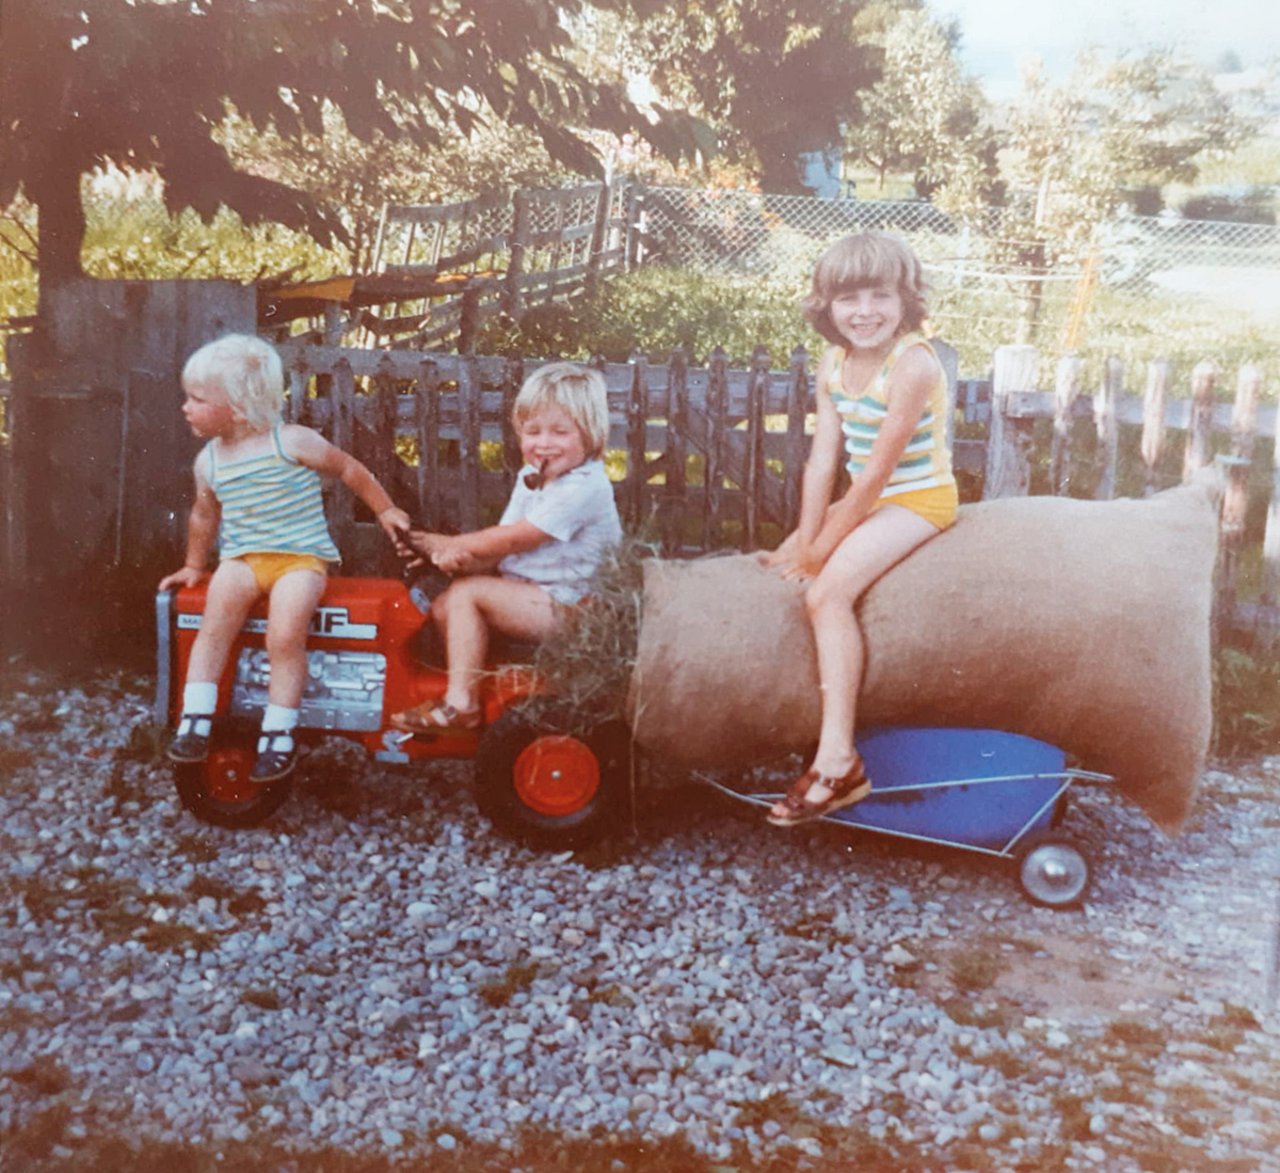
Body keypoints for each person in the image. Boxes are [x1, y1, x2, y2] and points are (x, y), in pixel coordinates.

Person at [763, 232, 956, 826]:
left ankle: (840, 760)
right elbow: (823, 461)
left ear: (906, 301)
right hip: (866, 501)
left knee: (826, 593)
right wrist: (801, 538)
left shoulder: (914, 363)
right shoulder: (834, 363)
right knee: (776, 569)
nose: (865, 312)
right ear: (826, 305)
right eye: (849, 298)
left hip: (916, 500)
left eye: (880, 296)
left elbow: (873, 478)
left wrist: (819, 554)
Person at [160, 334, 411, 782]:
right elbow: (204, 514)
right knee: (214, 624)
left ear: (236, 406)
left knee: (285, 636)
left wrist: (386, 508)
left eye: (197, 399)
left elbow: (349, 469)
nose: (185, 407)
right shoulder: (210, 461)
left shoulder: (290, 441)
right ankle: (196, 719)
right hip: (241, 558)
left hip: (299, 560)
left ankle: (279, 731)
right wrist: (195, 565)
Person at [390, 362, 621, 734]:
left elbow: (519, 538)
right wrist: (444, 554)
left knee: (466, 596)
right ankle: (482, 688)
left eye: (560, 431)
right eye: (533, 431)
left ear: (590, 434)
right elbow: (502, 540)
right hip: (538, 596)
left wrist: (449, 544)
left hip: (576, 608)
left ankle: (461, 706)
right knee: (446, 604)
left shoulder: (585, 486)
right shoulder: (532, 479)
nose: (544, 443)